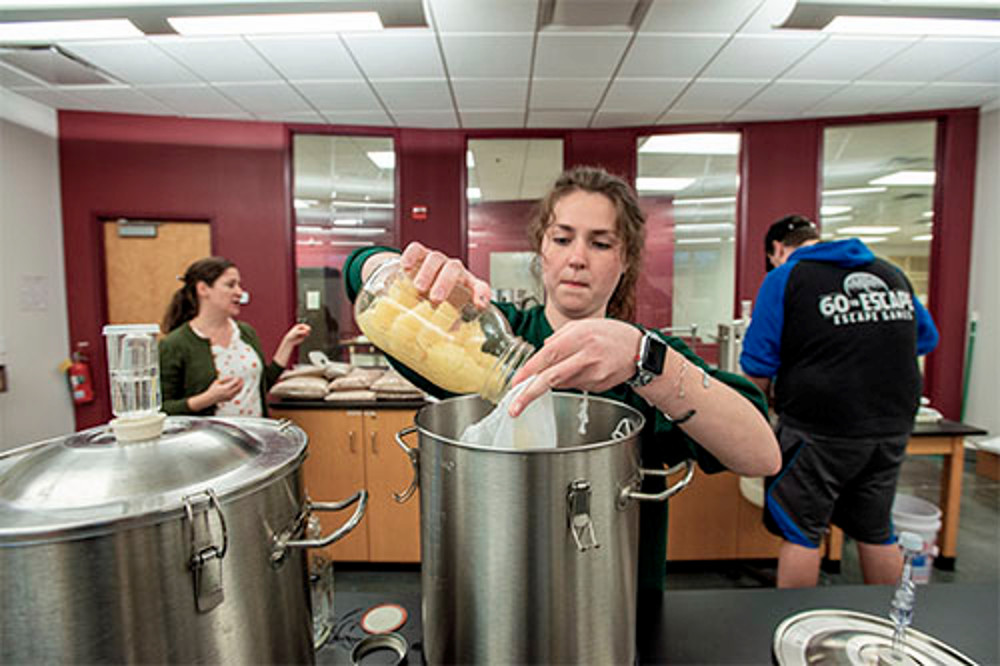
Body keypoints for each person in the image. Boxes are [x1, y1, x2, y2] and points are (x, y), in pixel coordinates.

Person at [344, 166, 780, 591]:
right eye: (562, 238)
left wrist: (644, 361)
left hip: (615, 596)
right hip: (497, 590)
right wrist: (404, 270)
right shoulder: (492, 336)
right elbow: (356, 269)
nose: (577, 258)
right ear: (542, 250)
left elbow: (760, 454)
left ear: (625, 258)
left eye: (601, 243)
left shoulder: (650, 357)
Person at [740, 215, 940, 588]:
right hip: (891, 425)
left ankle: (793, 628)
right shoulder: (889, 273)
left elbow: (757, 365)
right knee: (877, 529)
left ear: (777, 251)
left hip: (820, 429)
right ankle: (887, 629)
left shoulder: (785, 277)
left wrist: (749, 416)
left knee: (802, 532)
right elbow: (925, 339)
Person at [159, 256, 311, 417]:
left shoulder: (245, 333)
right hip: (209, 440)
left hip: (255, 436)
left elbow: (261, 385)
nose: (239, 292)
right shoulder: (175, 344)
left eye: (239, 285)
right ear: (203, 289)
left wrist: (288, 343)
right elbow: (161, 409)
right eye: (230, 285)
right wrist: (207, 399)